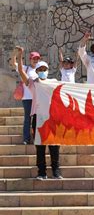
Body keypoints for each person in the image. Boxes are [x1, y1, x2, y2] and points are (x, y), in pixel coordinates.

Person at [16, 47, 62, 180]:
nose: (42, 72)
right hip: (38, 117)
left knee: (54, 145)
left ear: (47, 71)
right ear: (36, 72)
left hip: (52, 116)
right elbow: (20, 71)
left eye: (44, 70)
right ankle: (41, 172)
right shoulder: (33, 83)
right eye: (40, 70)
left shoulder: (53, 83)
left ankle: (56, 171)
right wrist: (20, 56)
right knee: (40, 145)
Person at [10, 48, 41, 144]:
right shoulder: (25, 68)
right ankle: (26, 138)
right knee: (28, 118)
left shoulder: (41, 69)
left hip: (38, 98)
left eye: (37, 58)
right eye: (33, 58)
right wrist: (17, 53)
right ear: (30, 59)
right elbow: (13, 63)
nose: (35, 60)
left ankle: (36, 137)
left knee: (37, 119)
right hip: (27, 98)